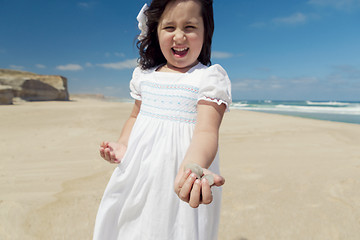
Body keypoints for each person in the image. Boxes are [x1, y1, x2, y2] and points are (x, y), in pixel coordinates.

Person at [93, 0, 232, 239]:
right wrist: (122, 145)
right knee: (130, 227)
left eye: (190, 27)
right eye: (169, 27)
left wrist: (192, 168)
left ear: (205, 31)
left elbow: (206, 132)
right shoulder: (144, 76)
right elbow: (135, 115)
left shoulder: (208, 79)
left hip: (181, 179)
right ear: (156, 31)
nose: (179, 36)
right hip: (137, 175)